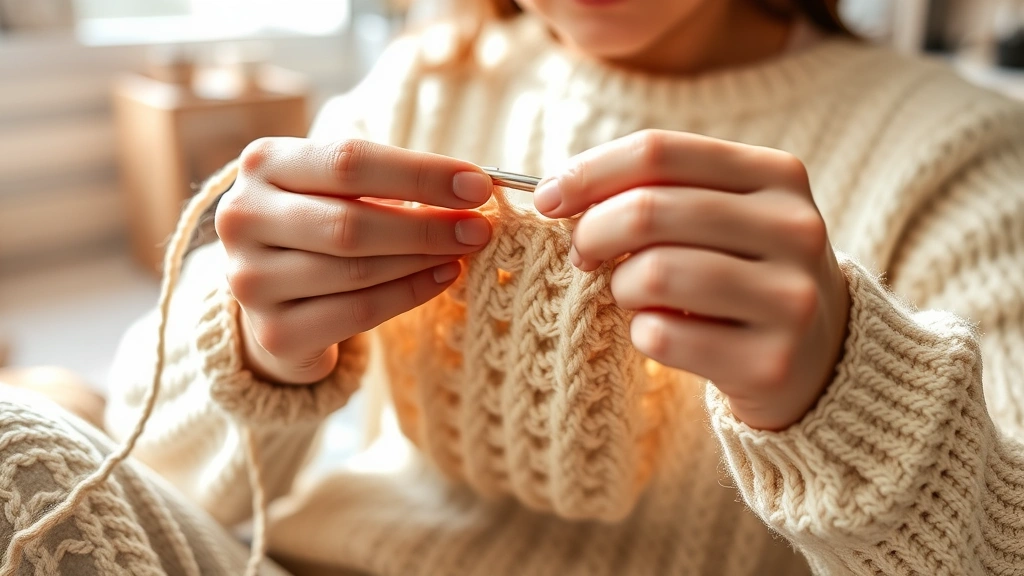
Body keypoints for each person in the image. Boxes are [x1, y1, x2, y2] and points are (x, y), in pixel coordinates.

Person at [2, 0, 1023, 574]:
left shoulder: (958, 153)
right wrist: (260, 346)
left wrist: (846, 387)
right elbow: (162, 459)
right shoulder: (428, 75)